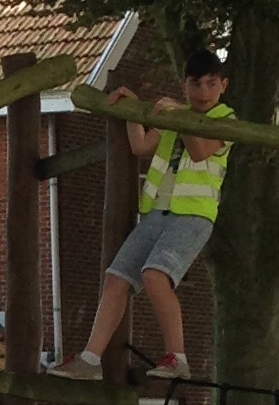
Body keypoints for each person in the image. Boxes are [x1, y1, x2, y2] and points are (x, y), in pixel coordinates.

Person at [59, 49, 232, 381]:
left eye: (211, 84)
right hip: (155, 214)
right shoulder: (174, 115)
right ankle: (90, 359)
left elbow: (199, 152)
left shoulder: (227, 120)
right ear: (185, 85)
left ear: (223, 86)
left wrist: (179, 114)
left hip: (192, 217)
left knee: (155, 276)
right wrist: (132, 110)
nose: (203, 93)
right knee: (116, 279)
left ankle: (177, 357)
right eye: (195, 85)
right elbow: (141, 146)